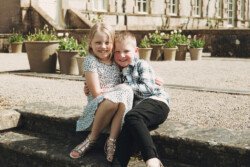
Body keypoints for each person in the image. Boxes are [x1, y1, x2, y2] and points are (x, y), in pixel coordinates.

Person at [69, 23, 134, 162]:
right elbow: (97, 93)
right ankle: (91, 139)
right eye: (98, 42)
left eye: (107, 42)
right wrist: (118, 89)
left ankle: (111, 141)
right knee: (118, 96)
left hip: (117, 113)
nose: (103, 46)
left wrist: (153, 77)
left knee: (125, 91)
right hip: (97, 110)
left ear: (113, 44)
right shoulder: (90, 61)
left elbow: (135, 64)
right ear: (90, 43)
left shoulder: (116, 61)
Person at [112, 31, 170, 167]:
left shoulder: (141, 65)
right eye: (117, 51)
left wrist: (124, 87)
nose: (121, 55)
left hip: (157, 102)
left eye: (126, 51)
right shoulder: (116, 71)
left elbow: (148, 89)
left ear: (136, 51)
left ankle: (152, 160)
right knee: (127, 127)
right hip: (138, 112)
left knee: (132, 117)